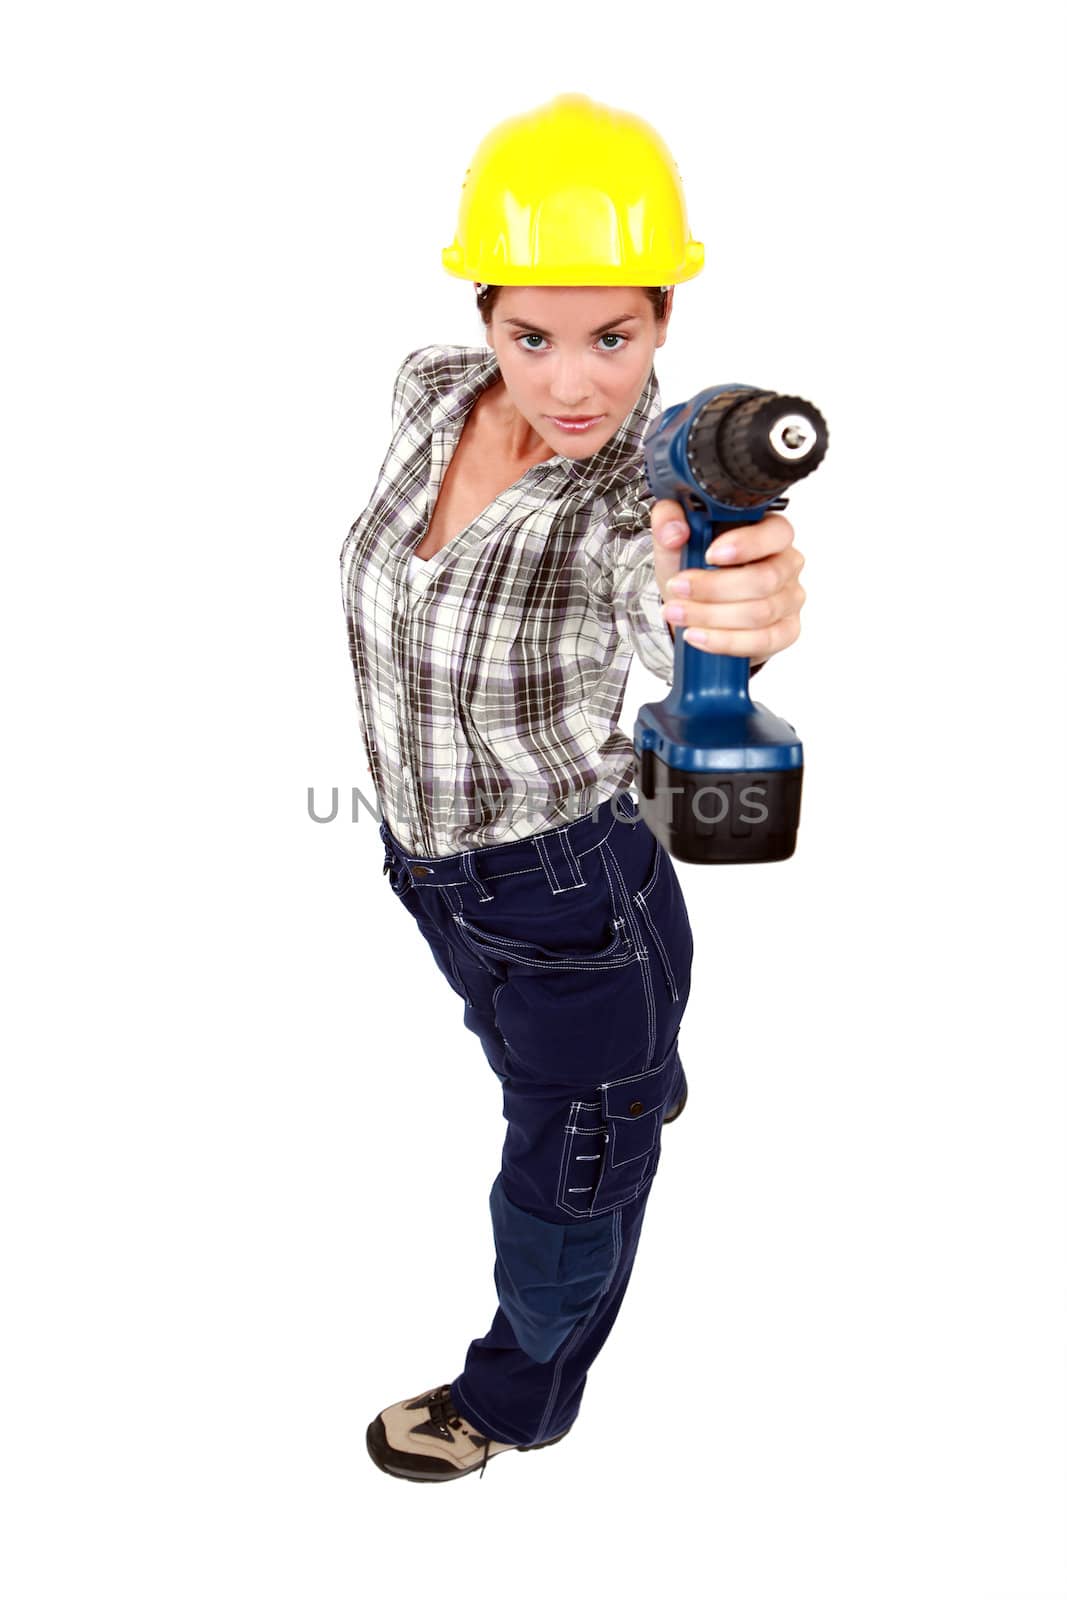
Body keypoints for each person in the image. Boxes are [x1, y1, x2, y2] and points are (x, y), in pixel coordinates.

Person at [339, 93, 807, 1483]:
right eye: (530, 335)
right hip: (435, 865)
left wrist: (736, 599)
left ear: (664, 319)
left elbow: (670, 585)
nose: (570, 384)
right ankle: (640, 1070)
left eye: (614, 336)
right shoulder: (432, 391)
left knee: (565, 1175)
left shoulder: (633, 502)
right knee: (608, 1050)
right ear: (482, 318)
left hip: (557, 892)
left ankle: (516, 1398)